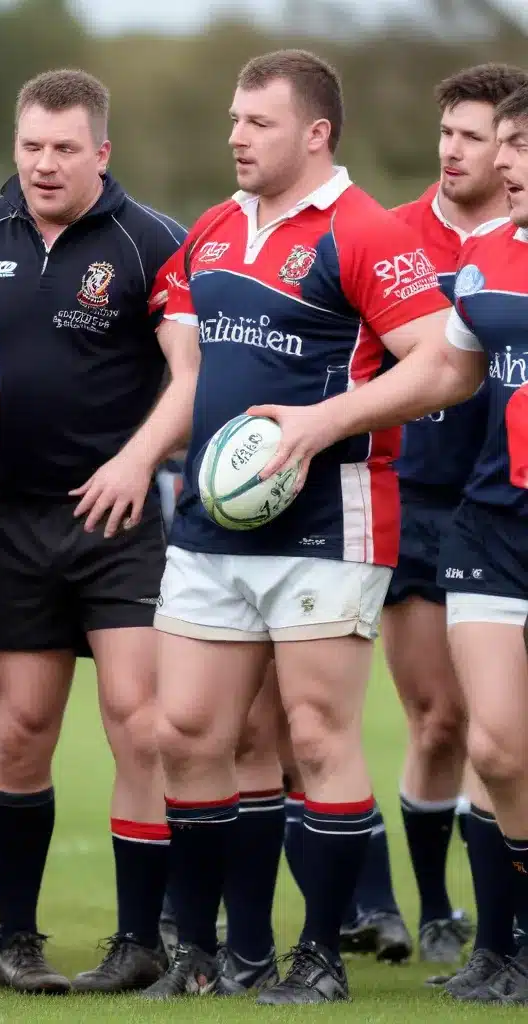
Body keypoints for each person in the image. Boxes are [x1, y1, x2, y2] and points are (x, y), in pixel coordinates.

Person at [148, 49, 485, 1004]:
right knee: (191, 732)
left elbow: (444, 367)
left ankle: (321, 960)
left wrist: (318, 424)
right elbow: (178, 335)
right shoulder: (213, 228)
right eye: (234, 119)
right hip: (211, 526)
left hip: (327, 522)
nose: (235, 136)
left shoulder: (366, 230)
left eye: (257, 122)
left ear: (315, 133)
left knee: (315, 732)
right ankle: (225, 953)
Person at [0, 68, 188, 995]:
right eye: (31, 147)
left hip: (118, 519)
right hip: (2, 520)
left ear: (102, 152)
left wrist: (137, 463)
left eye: (64, 149)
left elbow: (189, 372)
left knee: (144, 726)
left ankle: (139, 942)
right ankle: (15, 941)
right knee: (17, 732)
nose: (45, 166)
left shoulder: (153, 241)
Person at [341, 62, 527, 968]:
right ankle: (437, 907)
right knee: (441, 718)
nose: (452, 150)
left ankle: (493, 926)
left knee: (492, 732)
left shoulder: (510, 241)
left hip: (493, 497)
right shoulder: (392, 234)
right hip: (412, 501)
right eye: (446, 132)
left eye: (475, 135)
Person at [437, 81, 528, 1003]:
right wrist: (318, 422)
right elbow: (448, 373)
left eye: (520, 147)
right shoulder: (485, 256)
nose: (504, 163)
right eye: (500, 145)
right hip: (492, 524)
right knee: (498, 748)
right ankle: (502, 946)